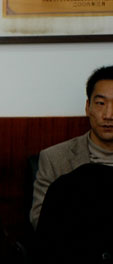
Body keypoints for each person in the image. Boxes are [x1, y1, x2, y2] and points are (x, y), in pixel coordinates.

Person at [30, 65, 113, 229]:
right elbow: (40, 220)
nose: (109, 115)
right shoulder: (55, 158)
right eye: (101, 103)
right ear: (88, 107)